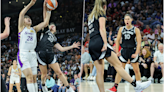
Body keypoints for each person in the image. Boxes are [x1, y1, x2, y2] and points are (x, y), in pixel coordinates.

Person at [87, 0, 151, 92]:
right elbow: (102, 28)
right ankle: (136, 85)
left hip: (91, 44)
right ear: (104, 6)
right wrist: (105, 43)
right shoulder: (101, 13)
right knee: (118, 65)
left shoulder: (90, 16)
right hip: (99, 42)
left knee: (99, 72)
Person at [36, 2, 80, 92]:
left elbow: (61, 49)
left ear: (55, 29)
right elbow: (45, 19)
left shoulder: (55, 38)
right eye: (51, 25)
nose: (52, 25)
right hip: (41, 53)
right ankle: (43, 85)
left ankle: (68, 88)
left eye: (54, 25)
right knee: (43, 74)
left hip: (50, 54)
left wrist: (72, 46)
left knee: (59, 72)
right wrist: (45, 7)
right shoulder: (45, 31)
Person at [108, 13, 151, 92]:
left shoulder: (136, 29)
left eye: (128, 19)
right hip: (124, 50)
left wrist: (137, 53)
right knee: (120, 69)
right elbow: (117, 41)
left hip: (132, 50)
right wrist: (117, 51)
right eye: (125, 19)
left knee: (136, 70)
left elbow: (139, 42)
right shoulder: (121, 29)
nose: (126, 20)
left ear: (131, 20)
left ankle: (139, 87)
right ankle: (115, 87)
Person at [17, 0, 51, 92]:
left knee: (35, 78)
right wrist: (31, 4)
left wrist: (48, 9)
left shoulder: (34, 29)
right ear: (23, 21)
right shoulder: (21, 29)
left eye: (29, 18)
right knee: (29, 77)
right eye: (26, 18)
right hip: (23, 54)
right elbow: (21, 14)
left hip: (32, 54)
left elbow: (46, 23)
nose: (29, 19)